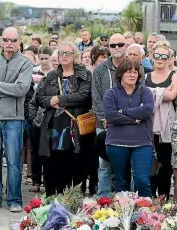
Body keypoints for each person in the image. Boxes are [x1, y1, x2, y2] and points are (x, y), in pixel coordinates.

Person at [35, 41, 92, 196]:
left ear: (75, 56)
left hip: (74, 127)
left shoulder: (84, 74)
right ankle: (54, 198)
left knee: (74, 164)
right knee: (54, 165)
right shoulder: (51, 75)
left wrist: (58, 99)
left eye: (68, 53)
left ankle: (74, 199)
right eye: (61, 53)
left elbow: (84, 95)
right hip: (53, 126)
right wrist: (50, 102)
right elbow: (39, 97)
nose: (64, 56)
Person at [0, 27, 33, 212]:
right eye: (6, 40)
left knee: (14, 160)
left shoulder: (25, 63)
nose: (9, 44)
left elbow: (21, 89)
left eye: (13, 40)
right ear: (1, 41)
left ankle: (14, 200)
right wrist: (8, 89)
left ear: (19, 41)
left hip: (14, 118)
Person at [103, 58, 154, 196]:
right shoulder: (111, 94)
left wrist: (123, 111)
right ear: (120, 74)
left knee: (142, 180)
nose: (132, 75)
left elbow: (147, 110)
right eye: (128, 72)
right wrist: (135, 119)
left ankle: (146, 212)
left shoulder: (145, 92)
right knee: (121, 182)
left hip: (142, 143)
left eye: (135, 72)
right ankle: (124, 212)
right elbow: (111, 116)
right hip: (116, 143)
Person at [92, 33, 127, 198]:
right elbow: (96, 97)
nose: (117, 48)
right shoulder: (100, 69)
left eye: (120, 44)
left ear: (125, 46)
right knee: (104, 164)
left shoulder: (136, 68)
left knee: (126, 163)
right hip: (104, 124)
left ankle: (125, 200)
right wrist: (105, 118)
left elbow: (139, 96)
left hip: (128, 125)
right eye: (113, 45)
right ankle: (103, 200)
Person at [145, 41, 177, 199]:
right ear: (152, 57)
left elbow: (172, 96)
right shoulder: (146, 76)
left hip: (167, 126)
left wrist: (151, 92)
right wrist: (161, 93)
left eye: (163, 56)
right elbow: (142, 96)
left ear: (169, 59)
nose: (160, 59)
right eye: (157, 56)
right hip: (148, 124)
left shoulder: (175, 75)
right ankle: (150, 197)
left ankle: (164, 197)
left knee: (166, 163)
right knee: (150, 162)